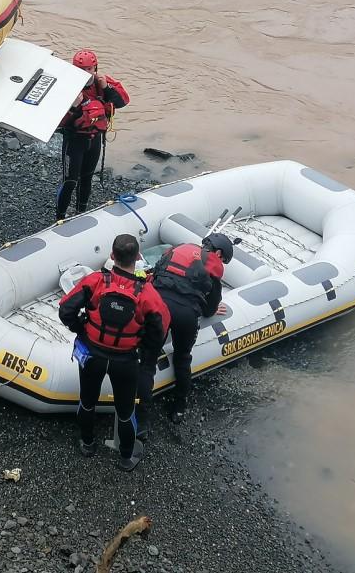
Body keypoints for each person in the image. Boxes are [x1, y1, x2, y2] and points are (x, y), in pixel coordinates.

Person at [58, 234, 170, 470]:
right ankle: (126, 457)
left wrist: (83, 330)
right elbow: (157, 331)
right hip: (125, 362)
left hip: (92, 355)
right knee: (126, 410)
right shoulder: (148, 294)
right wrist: (144, 354)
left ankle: (87, 444)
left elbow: (66, 310)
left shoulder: (95, 281)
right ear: (138, 258)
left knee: (87, 401)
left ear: (112, 256)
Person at [138, 233, 234, 427]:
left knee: (147, 362)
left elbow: (156, 275)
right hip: (186, 314)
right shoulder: (213, 263)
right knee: (182, 357)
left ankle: (141, 420)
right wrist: (213, 308)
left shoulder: (177, 248)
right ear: (218, 252)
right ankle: (179, 408)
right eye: (222, 258)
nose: (220, 261)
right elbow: (209, 307)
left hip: (159, 307)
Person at [55, 49, 129, 220]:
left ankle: (81, 212)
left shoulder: (102, 83)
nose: (87, 73)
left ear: (95, 68)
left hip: (95, 140)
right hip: (75, 141)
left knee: (87, 178)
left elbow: (123, 102)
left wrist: (106, 88)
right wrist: (74, 107)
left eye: (90, 69)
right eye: (82, 70)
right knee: (70, 181)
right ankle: (60, 217)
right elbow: (59, 122)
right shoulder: (68, 88)